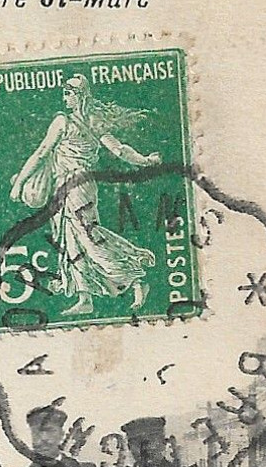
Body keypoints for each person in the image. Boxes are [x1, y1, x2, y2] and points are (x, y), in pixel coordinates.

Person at [9, 73, 162, 315]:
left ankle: (134, 276)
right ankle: (85, 297)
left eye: (69, 92)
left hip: (75, 186)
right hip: (75, 186)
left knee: (87, 236)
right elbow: (120, 150)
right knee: (72, 238)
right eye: (64, 92)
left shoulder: (63, 122)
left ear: (79, 96)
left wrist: (19, 183)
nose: (65, 97)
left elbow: (41, 153)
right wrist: (144, 160)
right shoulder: (94, 121)